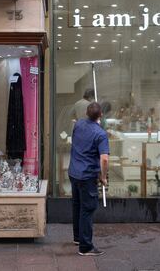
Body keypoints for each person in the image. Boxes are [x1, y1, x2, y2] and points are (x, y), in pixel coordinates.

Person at [68, 102, 109, 256]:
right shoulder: (101, 134)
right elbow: (104, 159)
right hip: (87, 176)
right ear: (101, 115)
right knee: (87, 209)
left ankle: (78, 238)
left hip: (74, 172)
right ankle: (85, 247)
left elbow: (76, 129)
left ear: (86, 113)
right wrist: (103, 176)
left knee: (77, 205)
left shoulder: (78, 124)